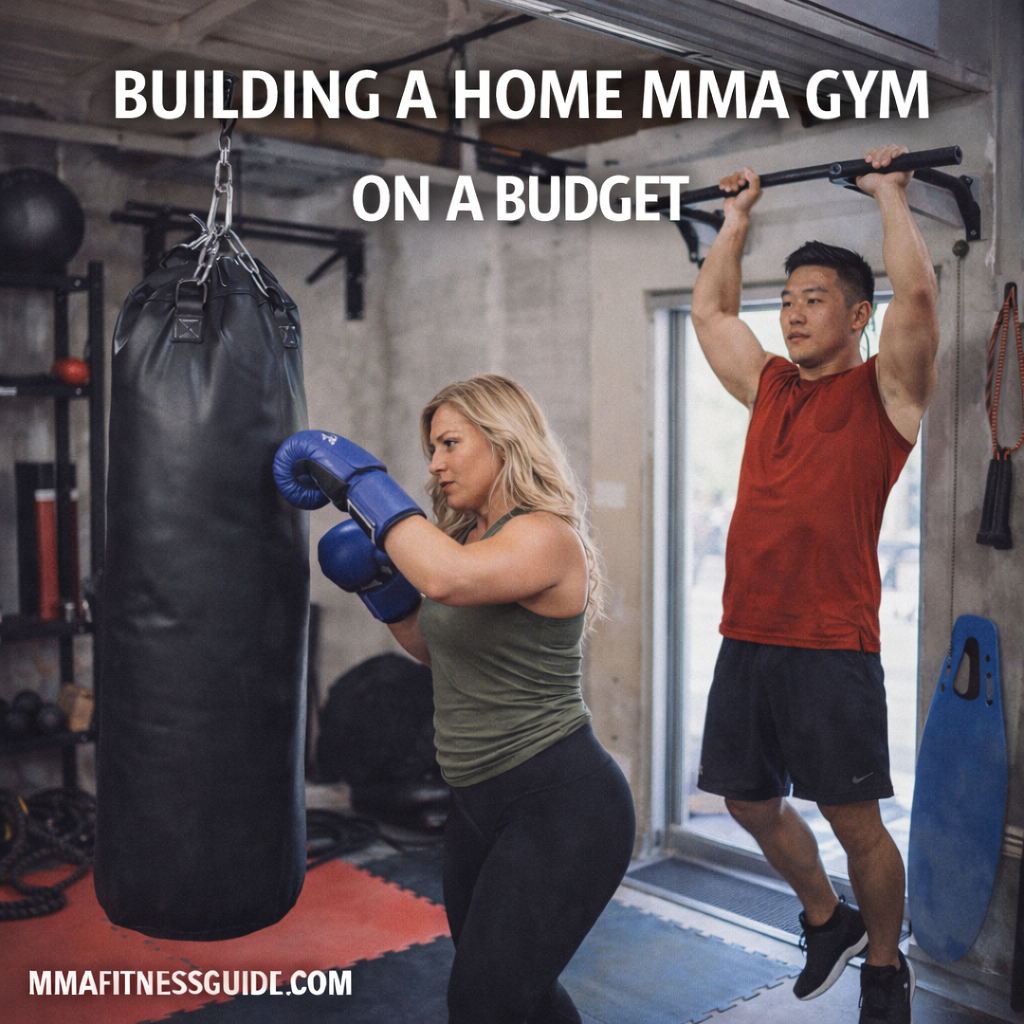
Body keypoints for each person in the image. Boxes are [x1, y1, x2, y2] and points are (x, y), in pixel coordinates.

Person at [275, 374, 635, 1024]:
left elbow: (447, 577)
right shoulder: (466, 539)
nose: (435, 464)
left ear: (503, 440)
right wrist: (378, 588)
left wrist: (358, 480)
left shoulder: (545, 536)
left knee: (484, 1002)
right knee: (514, 995)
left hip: (560, 805)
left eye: (449, 444)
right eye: (430, 449)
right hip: (476, 803)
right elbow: (436, 653)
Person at [689, 144, 938, 1024]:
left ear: (857, 315)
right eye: (787, 302)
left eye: (814, 300)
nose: (792, 316)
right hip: (747, 635)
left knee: (854, 821)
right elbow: (712, 311)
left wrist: (889, 194)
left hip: (832, 644)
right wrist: (736, 222)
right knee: (747, 800)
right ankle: (827, 921)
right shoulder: (769, 392)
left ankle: (884, 968)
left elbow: (918, 300)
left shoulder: (887, 397)